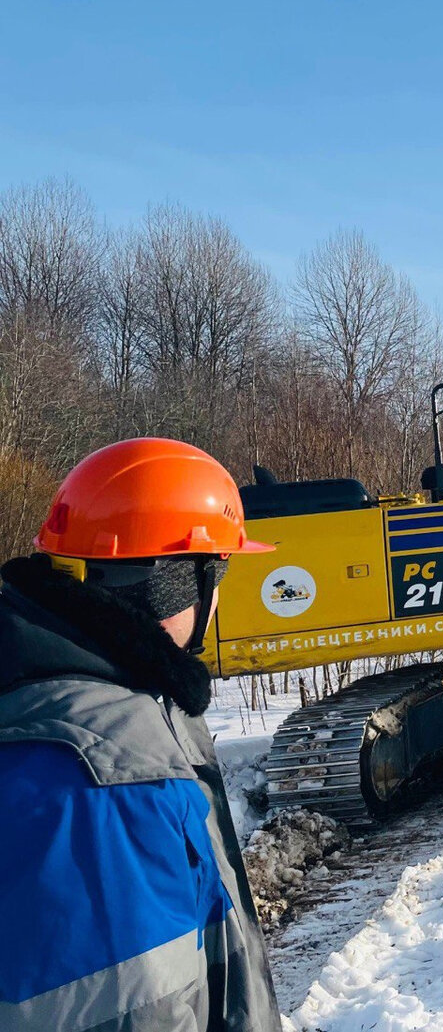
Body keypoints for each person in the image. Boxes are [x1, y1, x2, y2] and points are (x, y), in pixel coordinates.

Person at [0, 438, 283, 1031]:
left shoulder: (74, 705)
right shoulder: (111, 778)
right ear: (177, 583)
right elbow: (133, 1010)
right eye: (219, 572)